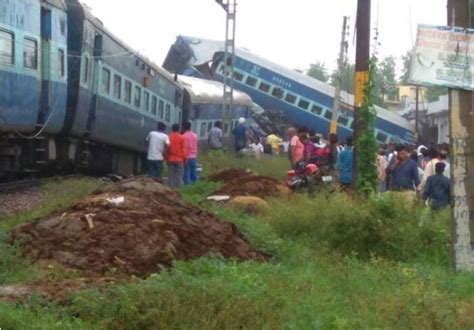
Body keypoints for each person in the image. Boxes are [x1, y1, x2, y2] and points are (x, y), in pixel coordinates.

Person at [167, 124, 187, 188]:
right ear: (178, 129)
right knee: (179, 176)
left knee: (171, 176)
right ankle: (179, 190)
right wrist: (184, 158)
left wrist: (166, 158)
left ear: (172, 129)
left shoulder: (169, 137)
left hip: (170, 159)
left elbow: (167, 148)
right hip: (179, 159)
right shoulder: (182, 137)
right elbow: (184, 149)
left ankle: (170, 189)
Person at [182, 121, 198, 185]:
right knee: (194, 173)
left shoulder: (183, 136)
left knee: (186, 173)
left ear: (183, 128)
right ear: (190, 127)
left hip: (187, 157)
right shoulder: (195, 135)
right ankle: (196, 186)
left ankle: (188, 188)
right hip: (194, 156)